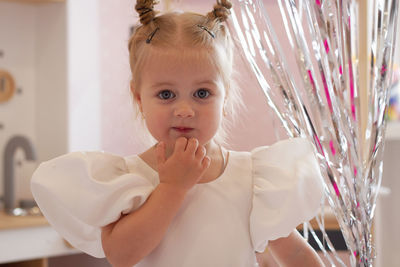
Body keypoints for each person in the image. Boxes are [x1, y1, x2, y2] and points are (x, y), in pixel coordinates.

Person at [31, 0, 325, 266]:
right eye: (166, 94)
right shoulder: (128, 182)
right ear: (139, 99)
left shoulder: (252, 179)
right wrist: (171, 189)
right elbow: (121, 255)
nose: (185, 109)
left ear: (225, 98)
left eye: (201, 92)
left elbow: (296, 255)